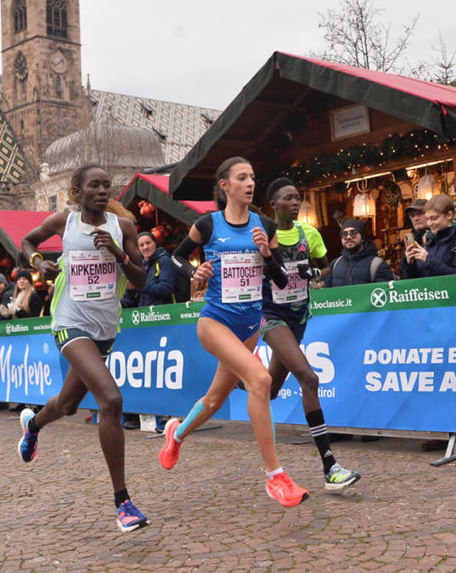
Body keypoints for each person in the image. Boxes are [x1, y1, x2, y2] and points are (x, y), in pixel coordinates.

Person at [160, 156, 309, 508]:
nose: (250, 183)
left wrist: (265, 254)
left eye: (253, 176)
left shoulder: (265, 227)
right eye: (242, 178)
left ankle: (176, 433)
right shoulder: (208, 225)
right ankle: (276, 476)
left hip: (249, 326)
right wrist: (195, 273)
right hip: (214, 322)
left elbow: (282, 281)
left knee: (214, 399)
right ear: (224, 185)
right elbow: (177, 258)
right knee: (260, 380)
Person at [16, 164, 150, 532]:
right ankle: (123, 503)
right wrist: (38, 262)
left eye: (108, 186)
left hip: (106, 328)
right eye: (95, 185)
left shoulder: (122, 228)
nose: (103, 191)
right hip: (69, 324)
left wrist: (120, 256)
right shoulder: (65, 222)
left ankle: (33, 424)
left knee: (69, 403)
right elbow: (28, 242)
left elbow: (140, 280)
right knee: (111, 399)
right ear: (77, 191)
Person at [259, 176, 361, 492]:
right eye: (288, 198)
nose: (295, 202)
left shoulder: (309, 233)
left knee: (269, 389)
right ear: (273, 204)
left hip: (299, 317)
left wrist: (314, 273)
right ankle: (330, 466)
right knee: (309, 378)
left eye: (298, 197)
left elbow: (326, 266)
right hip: (271, 317)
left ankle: (238, 380)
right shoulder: (263, 234)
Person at [403, 194, 456, 279]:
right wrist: (410, 264)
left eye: (434, 218)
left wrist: (429, 261)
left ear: (449, 215)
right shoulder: (428, 243)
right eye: (427, 219)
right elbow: (418, 281)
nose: (430, 223)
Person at [322, 218, 395, 287]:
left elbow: (386, 296)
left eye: (353, 233)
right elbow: (326, 294)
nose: (348, 237)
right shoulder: (335, 264)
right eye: (344, 234)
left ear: (362, 237)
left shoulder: (377, 265)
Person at [134, 232, 183, 307]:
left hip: (163, 313)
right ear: (138, 248)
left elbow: (166, 289)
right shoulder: (141, 265)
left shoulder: (165, 261)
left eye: (148, 243)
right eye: (141, 245)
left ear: (155, 243)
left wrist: (142, 286)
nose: (145, 247)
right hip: (144, 314)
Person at [398, 198, 429, 276]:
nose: (416, 218)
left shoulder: (439, 237)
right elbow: (404, 278)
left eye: (420, 213)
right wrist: (409, 264)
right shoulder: (410, 241)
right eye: (412, 215)